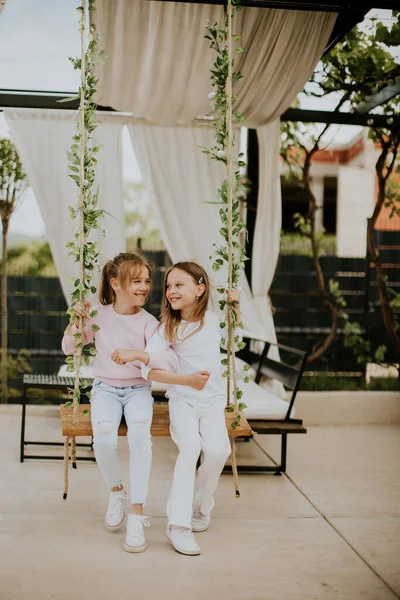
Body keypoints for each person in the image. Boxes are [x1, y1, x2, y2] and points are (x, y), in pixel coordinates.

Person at [62, 253, 207, 554]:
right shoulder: (98, 316)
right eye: (136, 281)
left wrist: (139, 354)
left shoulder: (148, 322)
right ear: (115, 284)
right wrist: (76, 322)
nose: (144, 287)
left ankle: (137, 513)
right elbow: (69, 348)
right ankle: (117, 492)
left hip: (138, 391)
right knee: (102, 439)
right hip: (104, 390)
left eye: (147, 281)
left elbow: (168, 359)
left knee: (140, 436)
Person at [112, 261, 241, 556]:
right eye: (168, 286)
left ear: (200, 288)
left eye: (179, 285)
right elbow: (152, 369)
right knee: (190, 448)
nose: (171, 291)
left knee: (220, 451)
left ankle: (201, 503)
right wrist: (139, 356)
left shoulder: (214, 320)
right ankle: (178, 525)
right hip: (182, 400)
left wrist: (236, 307)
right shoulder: (168, 328)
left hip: (212, 401)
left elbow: (237, 340)